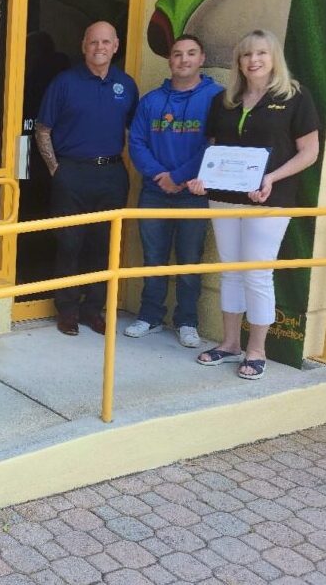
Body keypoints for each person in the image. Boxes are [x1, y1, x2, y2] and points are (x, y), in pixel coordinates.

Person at [187, 30, 319, 379]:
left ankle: (256, 350)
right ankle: (230, 344)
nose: (253, 60)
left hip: (270, 200)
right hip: (224, 198)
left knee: (257, 274)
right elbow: (216, 150)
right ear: (238, 62)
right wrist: (205, 180)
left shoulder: (294, 96)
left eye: (261, 53)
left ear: (274, 57)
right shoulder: (225, 100)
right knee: (230, 270)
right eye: (246, 55)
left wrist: (272, 178)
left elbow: (310, 152)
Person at [35, 21, 139, 336]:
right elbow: (43, 129)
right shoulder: (65, 83)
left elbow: (135, 130)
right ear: (84, 46)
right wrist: (56, 169)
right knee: (69, 245)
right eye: (93, 42)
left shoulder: (127, 85)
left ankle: (93, 310)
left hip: (111, 174)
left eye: (106, 42)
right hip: (72, 173)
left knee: (102, 246)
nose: (99, 48)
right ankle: (66, 311)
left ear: (116, 46)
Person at [125, 35, 223, 347]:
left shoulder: (216, 97)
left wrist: (178, 177)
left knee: (189, 259)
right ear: (170, 60)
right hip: (154, 191)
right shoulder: (151, 101)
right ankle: (151, 316)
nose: (184, 60)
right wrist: (159, 176)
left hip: (193, 192)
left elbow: (214, 144)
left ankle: (187, 321)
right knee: (153, 257)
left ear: (202, 58)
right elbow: (136, 143)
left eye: (191, 53)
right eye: (177, 54)